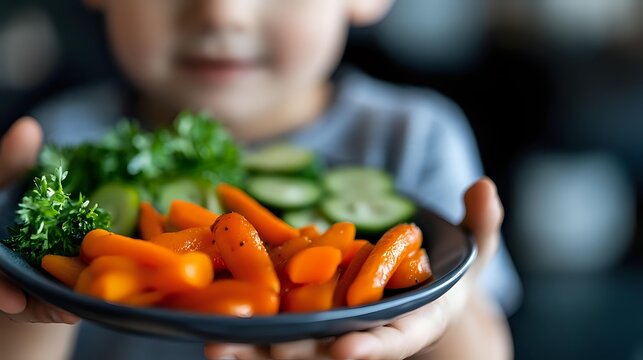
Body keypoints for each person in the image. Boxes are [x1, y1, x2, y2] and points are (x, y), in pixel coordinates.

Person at [0, 0, 520, 359]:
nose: (222, 12)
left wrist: (454, 301)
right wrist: (22, 301)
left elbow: (486, 348)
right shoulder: (64, 141)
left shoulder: (413, 138)